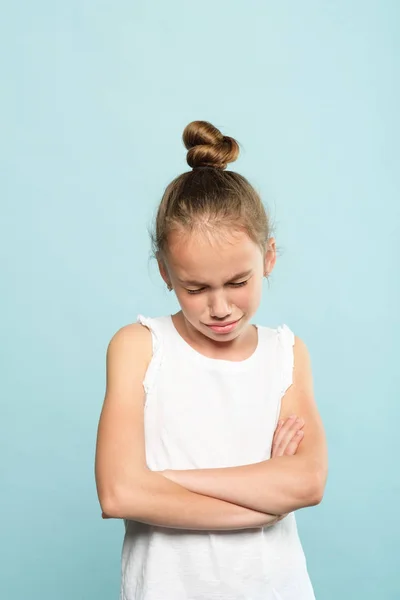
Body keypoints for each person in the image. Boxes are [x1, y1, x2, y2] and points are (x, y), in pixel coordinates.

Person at [94, 120, 328, 600]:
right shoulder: (139, 347)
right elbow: (119, 492)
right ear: (165, 272)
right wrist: (265, 503)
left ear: (269, 257)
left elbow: (306, 481)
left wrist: (164, 481)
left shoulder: (286, 354)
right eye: (195, 288)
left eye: (238, 283)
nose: (219, 308)